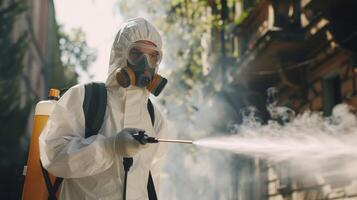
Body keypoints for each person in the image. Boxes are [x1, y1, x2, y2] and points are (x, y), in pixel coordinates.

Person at [39, 17, 168, 200]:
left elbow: (153, 181)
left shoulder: (155, 118)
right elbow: (53, 158)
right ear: (120, 54)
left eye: (153, 56)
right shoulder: (85, 98)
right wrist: (110, 147)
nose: (145, 64)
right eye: (137, 53)